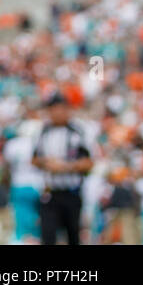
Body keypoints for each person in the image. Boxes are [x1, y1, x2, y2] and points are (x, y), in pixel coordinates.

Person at [33, 92, 95, 245]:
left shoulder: (78, 132)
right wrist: (46, 163)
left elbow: (88, 162)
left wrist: (65, 166)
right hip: (50, 192)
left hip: (71, 192)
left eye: (61, 109)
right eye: (54, 109)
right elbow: (34, 159)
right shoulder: (42, 132)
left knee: (73, 234)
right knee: (48, 235)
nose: (58, 113)